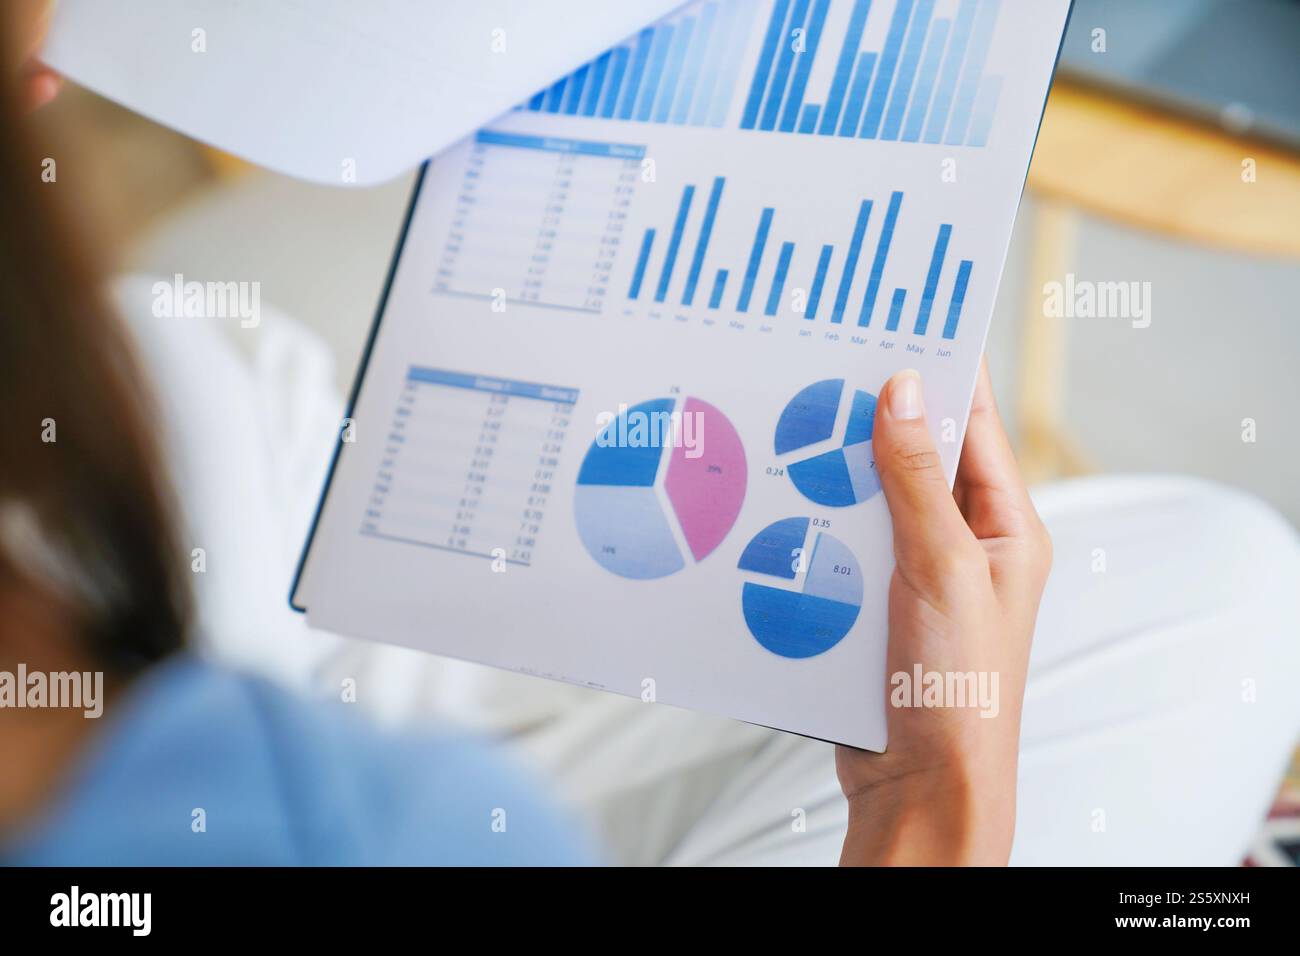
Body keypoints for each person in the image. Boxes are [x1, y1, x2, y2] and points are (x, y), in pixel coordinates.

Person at [3, 0, 1299, 867]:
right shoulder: (334, 821)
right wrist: (937, 801)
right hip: (327, 765)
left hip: (246, 613)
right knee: (1231, 583)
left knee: (198, 364)